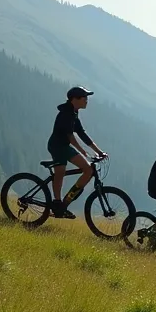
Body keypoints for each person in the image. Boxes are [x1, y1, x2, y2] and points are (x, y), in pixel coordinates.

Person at [47, 86, 106, 218]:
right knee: (83, 170)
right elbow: (71, 137)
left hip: (63, 146)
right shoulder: (66, 114)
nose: (86, 100)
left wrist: (99, 152)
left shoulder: (73, 112)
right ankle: (59, 204)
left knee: (82, 170)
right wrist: (83, 152)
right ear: (74, 99)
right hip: (58, 146)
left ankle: (63, 203)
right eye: (84, 98)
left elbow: (81, 133)